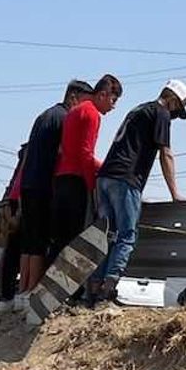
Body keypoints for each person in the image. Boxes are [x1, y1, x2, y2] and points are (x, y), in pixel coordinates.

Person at [89, 79, 186, 304]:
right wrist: (174, 192)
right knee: (126, 236)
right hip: (126, 180)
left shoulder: (139, 109)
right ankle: (108, 290)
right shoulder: (161, 113)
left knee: (105, 235)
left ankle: (94, 288)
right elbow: (166, 153)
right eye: (178, 109)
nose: (175, 115)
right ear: (172, 99)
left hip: (105, 177)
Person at [16, 80, 94, 302]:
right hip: (44, 185)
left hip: (29, 184)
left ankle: (23, 289)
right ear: (73, 97)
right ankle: (33, 290)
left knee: (29, 242)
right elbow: (63, 151)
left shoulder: (44, 116)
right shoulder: (63, 117)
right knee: (40, 242)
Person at [51, 74, 123, 264]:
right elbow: (86, 154)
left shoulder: (75, 111)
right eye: (113, 100)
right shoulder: (92, 114)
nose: (113, 106)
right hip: (75, 180)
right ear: (103, 94)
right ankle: (66, 289)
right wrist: (93, 185)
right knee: (73, 237)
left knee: (59, 237)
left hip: (61, 178)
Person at [0, 143, 26, 310]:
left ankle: (1, 294)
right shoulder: (35, 151)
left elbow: (14, 180)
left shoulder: (27, 152)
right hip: (21, 201)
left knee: (11, 251)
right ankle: (5, 293)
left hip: (13, 200)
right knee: (22, 250)